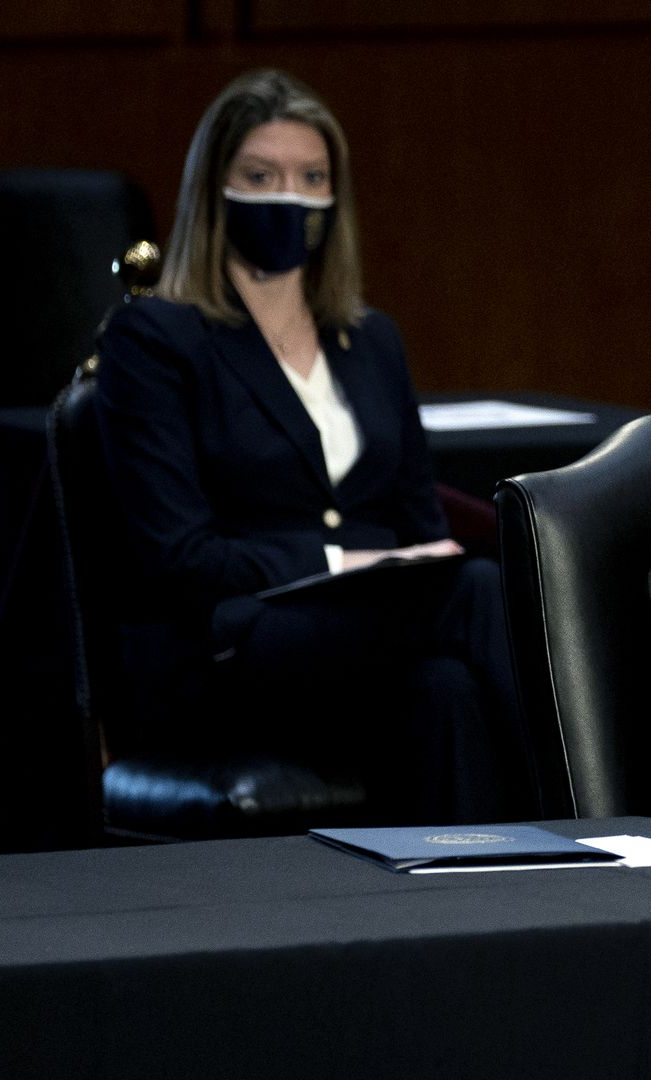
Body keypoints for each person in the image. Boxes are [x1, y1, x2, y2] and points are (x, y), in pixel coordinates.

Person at [94, 69, 536, 822]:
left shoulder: (372, 339)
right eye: (260, 177)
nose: (289, 199)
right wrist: (338, 563)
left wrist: (389, 564)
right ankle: (601, 818)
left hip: (364, 642)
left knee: (449, 691)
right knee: (477, 592)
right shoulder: (156, 339)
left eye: (312, 179)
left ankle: (486, 888)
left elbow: (420, 526)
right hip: (226, 644)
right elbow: (178, 557)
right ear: (214, 190)